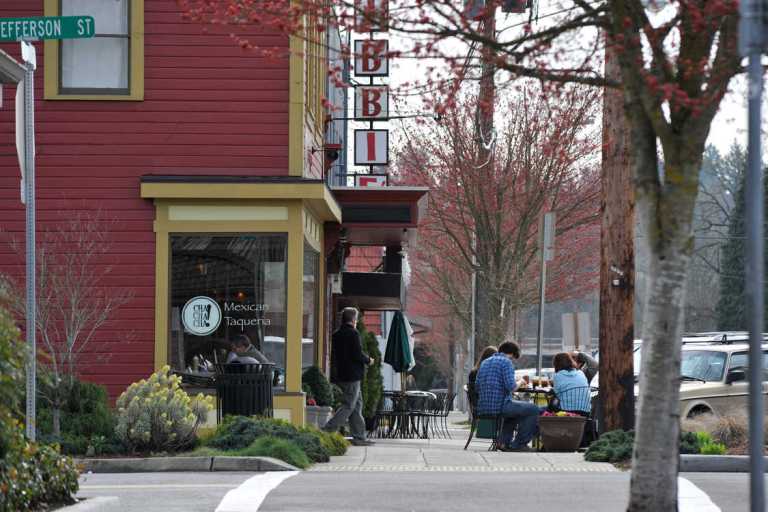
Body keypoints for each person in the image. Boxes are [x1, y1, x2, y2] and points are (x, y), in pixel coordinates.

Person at [322, 307, 375, 446]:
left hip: (342, 374)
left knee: (357, 406)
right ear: (353, 319)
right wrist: (368, 360)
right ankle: (327, 430)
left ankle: (359, 437)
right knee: (349, 405)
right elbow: (357, 354)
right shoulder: (353, 333)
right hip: (352, 376)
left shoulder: (336, 334)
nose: (357, 322)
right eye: (356, 319)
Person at [476, 341, 540, 451]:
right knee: (533, 409)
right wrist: (521, 381)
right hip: (500, 406)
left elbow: (477, 386)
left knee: (515, 411)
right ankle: (519, 444)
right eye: (513, 358)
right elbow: (512, 387)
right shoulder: (506, 362)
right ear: (512, 354)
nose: (512, 360)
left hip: (483, 407)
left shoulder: (485, 362)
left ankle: (503, 442)